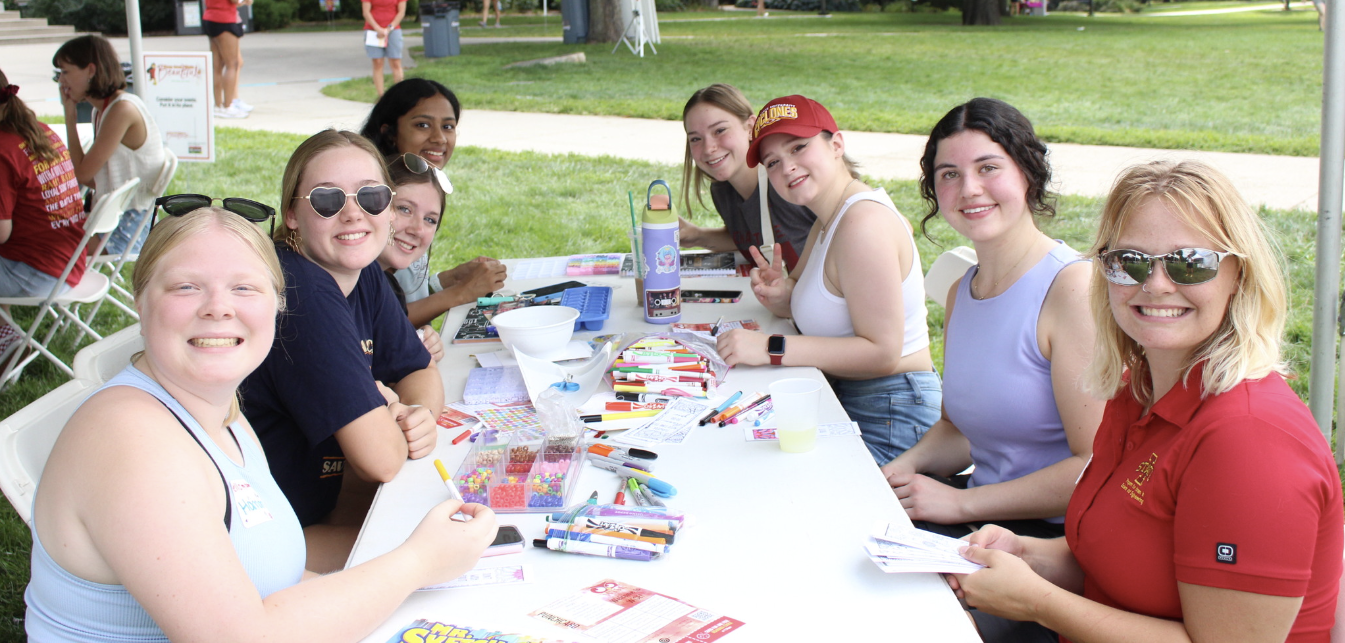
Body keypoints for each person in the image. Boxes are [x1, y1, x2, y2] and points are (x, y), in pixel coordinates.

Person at [25, 205, 497, 642]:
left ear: (275, 308)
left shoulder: (223, 415)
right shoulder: (130, 438)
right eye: (186, 286)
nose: (218, 307)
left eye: (244, 287)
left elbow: (281, 584)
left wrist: (423, 561)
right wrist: (416, 564)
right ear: (141, 306)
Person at [948, 160, 1343, 643]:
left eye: (1190, 262)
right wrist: (1025, 555)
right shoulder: (1137, 390)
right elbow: (1119, 561)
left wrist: (1036, 601)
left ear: (1238, 274)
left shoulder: (1249, 439)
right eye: (1129, 261)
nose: (1155, 283)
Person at [880, 98, 1101, 540]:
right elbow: (956, 429)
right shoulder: (963, 291)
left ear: (1027, 173)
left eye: (988, 168)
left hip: (1054, 539)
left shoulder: (1073, 289)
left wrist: (961, 503)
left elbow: (1094, 467)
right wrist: (895, 472)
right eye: (950, 175)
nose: (969, 190)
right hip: (980, 515)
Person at [239, 130, 444, 572]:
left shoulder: (360, 270)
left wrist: (415, 416)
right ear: (293, 214)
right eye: (328, 200)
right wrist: (393, 415)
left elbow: (420, 368)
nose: (353, 213)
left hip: (311, 511)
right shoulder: (302, 291)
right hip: (261, 546)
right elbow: (381, 460)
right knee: (449, 550)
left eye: (370, 196)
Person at [715, 95, 940, 464]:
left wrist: (770, 348)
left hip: (893, 410)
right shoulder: (828, 216)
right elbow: (822, 305)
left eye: (799, 147)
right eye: (773, 162)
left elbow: (882, 353)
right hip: (847, 393)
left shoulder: (862, 224)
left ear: (836, 144)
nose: (787, 167)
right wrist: (783, 294)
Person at [360, 79, 506, 327]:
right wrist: (461, 293)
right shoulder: (370, 200)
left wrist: (449, 280)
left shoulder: (422, 190)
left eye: (448, 126)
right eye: (423, 125)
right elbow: (380, 320)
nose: (439, 138)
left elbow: (399, 293)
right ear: (390, 132)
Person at [680, 83, 817, 273]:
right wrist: (695, 235)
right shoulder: (723, 190)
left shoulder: (789, 180)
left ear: (750, 127)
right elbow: (753, 238)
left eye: (720, 130)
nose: (708, 148)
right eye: (695, 138)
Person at [54, 34, 166, 256]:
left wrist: (70, 116)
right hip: (114, 219)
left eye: (65, 72)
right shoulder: (104, 110)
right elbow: (87, 175)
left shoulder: (121, 110)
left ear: (91, 71)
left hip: (126, 229)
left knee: (34, 243)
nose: (61, 81)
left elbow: (83, 174)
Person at [0, 69, 87, 353]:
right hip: (68, 261)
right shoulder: (38, 129)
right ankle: (7, 334)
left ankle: (7, 340)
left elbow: (2, 233)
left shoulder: (2, 149)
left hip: (38, 272)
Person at [378, 153, 448, 362]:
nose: (417, 229)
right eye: (404, 209)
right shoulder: (348, 285)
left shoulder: (386, 285)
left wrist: (421, 342)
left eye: (430, 219)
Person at [203, 0, 253, 119]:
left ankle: (218, 105)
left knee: (217, 66)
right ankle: (228, 106)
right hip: (224, 19)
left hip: (210, 17)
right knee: (232, 64)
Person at [362, 0, 406, 97]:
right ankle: (381, 95)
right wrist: (378, 28)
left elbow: (401, 12)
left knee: (395, 62)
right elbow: (366, 12)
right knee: (378, 62)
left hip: (394, 30)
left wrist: (389, 28)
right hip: (373, 30)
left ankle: (399, 94)